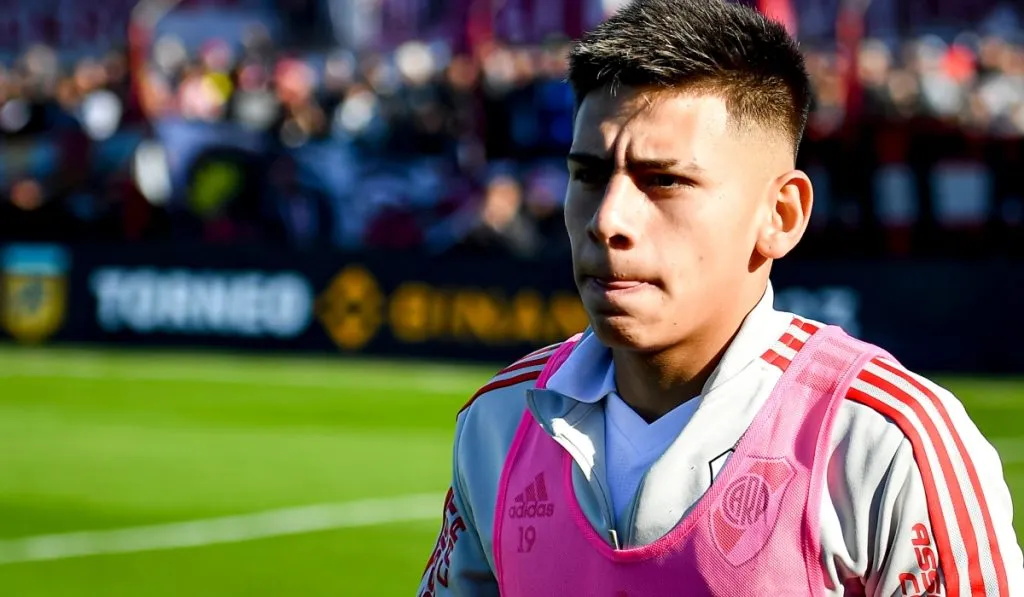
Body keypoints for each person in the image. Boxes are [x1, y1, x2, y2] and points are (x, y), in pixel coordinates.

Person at [417, 0, 1023, 594]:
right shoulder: (500, 421)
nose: (608, 220)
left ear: (781, 215)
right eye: (589, 176)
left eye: (664, 181)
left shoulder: (885, 443)